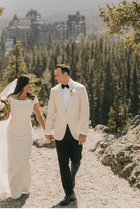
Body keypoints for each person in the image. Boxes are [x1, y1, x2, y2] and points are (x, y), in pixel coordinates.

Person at [0, 75, 47, 200]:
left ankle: (24, 187)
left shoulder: (33, 99)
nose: (30, 86)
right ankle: (15, 190)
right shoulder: (10, 99)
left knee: (24, 161)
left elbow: (39, 117)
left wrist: (48, 131)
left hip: (26, 133)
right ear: (22, 85)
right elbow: (5, 117)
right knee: (13, 162)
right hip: (13, 133)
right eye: (28, 84)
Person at [44, 64, 89, 206]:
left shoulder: (80, 88)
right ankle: (69, 192)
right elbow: (51, 111)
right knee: (63, 164)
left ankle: (71, 183)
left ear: (65, 74)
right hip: (60, 132)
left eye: (57, 75)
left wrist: (83, 132)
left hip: (76, 132)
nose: (55, 77)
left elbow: (85, 110)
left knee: (76, 160)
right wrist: (47, 131)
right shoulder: (54, 91)